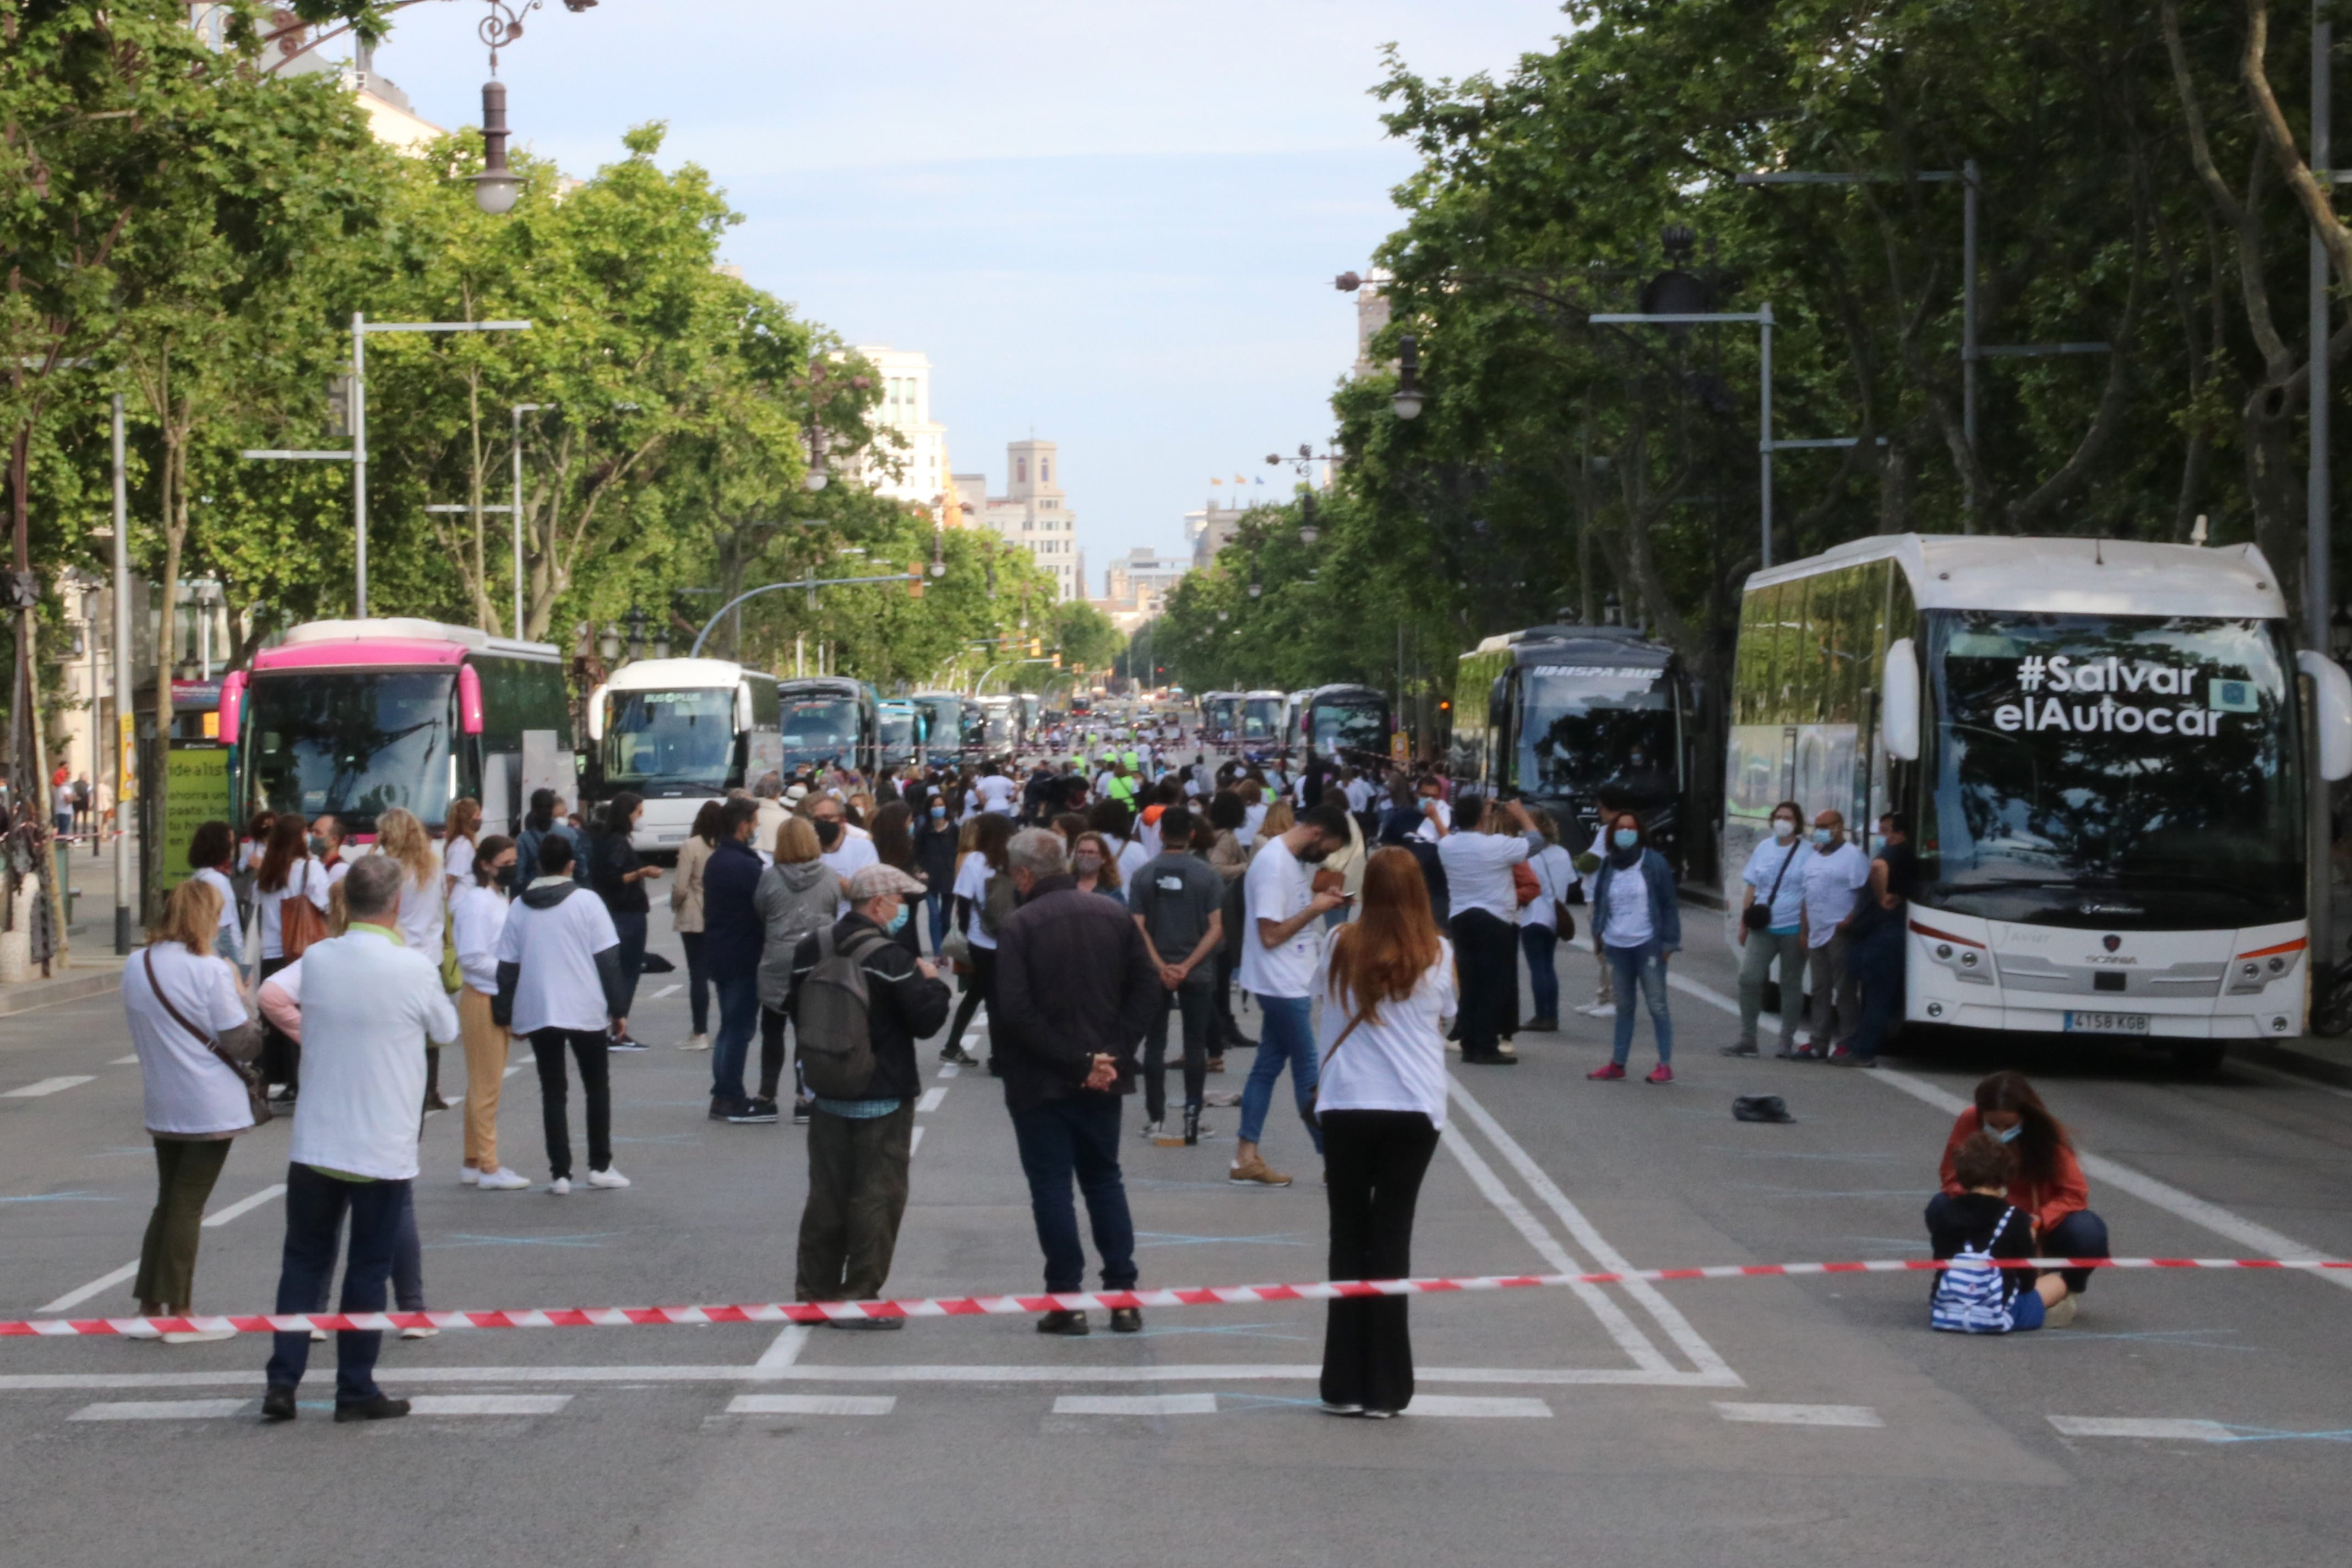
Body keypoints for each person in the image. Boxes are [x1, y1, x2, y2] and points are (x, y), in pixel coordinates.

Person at [259, 855, 460, 1424]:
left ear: (345, 901)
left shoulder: (320, 958)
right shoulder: (412, 967)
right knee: (368, 1268)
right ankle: (354, 1388)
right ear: (396, 903)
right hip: (382, 1143)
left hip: (317, 1138)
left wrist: (312, 1031)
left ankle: (283, 1381)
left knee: (303, 1262)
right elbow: (445, 1029)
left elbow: (271, 992)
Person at [990, 828, 1160, 1335]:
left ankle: (1066, 1299)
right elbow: (1146, 988)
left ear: (1024, 874)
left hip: (1040, 1080)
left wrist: (1078, 1061)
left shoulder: (1020, 925)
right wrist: (1112, 1055)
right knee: (1104, 1179)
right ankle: (1124, 1295)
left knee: (1052, 1187)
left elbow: (1015, 1011)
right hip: (1104, 1077)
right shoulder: (1113, 914)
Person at [1314, 846, 1456, 1416]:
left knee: (1347, 1234)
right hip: (1413, 1106)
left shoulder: (1338, 943)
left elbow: (1319, 996)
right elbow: (1448, 1016)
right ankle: (1387, 1387)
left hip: (1347, 1100)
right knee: (1393, 1234)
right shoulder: (1438, 952)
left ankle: (1343, 1383)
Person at [787, 864, 951, 1320]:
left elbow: (795, 1008)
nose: (903, 910)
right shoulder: (891, 958)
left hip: (825, 1090)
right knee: (877, 1197)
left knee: (826, 1197)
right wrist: (933, 984)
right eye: (901, 902)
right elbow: (925, 1021)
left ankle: (813, 1292)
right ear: (880, 904)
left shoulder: (811, 948)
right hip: (882, 1091)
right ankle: (859, 1293)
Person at [123, 877, 258, 1342]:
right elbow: (242, 1042)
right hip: (209, 1103)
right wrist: (243, 995)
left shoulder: (138, 963)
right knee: (188, 1205)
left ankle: (149, 1307)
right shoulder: (210, 970)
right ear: (206, 918)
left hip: (163, 1098)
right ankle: (180, 1311)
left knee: (169, 1201)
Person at [492, 832, 631, 1194]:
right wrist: (618, 1009)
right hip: (584, 1007)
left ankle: (560, 1173)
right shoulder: (587, 902)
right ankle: (600, 1165)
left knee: (553, 1090)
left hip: (539, 1007)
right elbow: (608, 960)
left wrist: (506, 1013)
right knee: (596, 1086)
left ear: (539, 865)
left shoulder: (519, 906)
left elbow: (507, 966)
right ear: (571, 865)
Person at [1231, 802, 1353, 1187]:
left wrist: (1319, 901)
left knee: (1268, 1067)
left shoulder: (1286, 861)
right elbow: (1270, 934)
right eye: (1329, 847)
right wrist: (1316, 909)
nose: (1326, 856)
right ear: (1317, 833)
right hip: (1281, 983)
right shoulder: (1274, 864)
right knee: (1308, 1072)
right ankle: (1334, 1158)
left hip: (1286, 980)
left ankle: (1246, 1156)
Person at [1932, 1071, 2108, 1309]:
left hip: (2033, 1222)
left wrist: (2038, 1220)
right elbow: (1951, 1177)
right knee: (1941, 1206)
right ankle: (1953, 1281)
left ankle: (2066, 1286)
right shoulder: (1969, 1121)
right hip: (1988, 1217)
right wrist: (1981, 1199)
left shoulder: (2046, 1134)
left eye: (2009, 1126)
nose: (2001, 1132)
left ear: (2025, 1117)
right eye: (1993, 1125)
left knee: (2087, 1231)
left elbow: (2074, 1193)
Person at [1126, 805, 1223, 1145]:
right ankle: (1193, 1115)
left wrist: (1160, 965)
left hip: (1155, 971)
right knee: (1195, 1043)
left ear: (1162, 833)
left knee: (1155, 1043)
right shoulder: (1207, 875)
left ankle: (1156, 1118)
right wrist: (1188, 965)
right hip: (1196, 970)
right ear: (1192, 835)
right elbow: (1216, 928)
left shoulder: (1144, 875)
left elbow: (1137, 927)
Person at [1927, 1131, 2074, 1332]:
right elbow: (2026, 1282)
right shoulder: (2015, 1218)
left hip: (1948, 1310)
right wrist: (2029, 1241)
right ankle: (2045, 1311)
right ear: (2005, 1177)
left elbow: (1941, 1263)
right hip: (2000, 1309)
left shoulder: (1944, 1212)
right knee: (2057, 1282)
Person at [1435, 794, 1544, 1066]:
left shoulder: (1447, 845)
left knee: (1470, 983)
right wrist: (1520, 814)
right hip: (1495, 918)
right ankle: (1486, 1045)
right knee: (1493, 985)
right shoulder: (1498, 845)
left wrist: (1483, 810)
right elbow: (1536, 842)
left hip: (1461, 917)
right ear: (1482, 818)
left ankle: (1470, 1043)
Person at [451, 835, 529, 1190]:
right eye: (505, 864)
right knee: (487, 1087)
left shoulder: (496, 899)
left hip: (494, 994)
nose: (512, 869)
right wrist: (510, 972)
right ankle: (490, 1167)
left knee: (481, 1085)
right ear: (485, 865)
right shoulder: (476, 903)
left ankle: (474, 1160)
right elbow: (471, 957)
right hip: (484, 996)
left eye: (515, 862)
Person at [757, 815, 843, 1124]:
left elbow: (762, 911)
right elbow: (834, 910)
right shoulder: (830, 876)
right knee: (808, 1030)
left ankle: (767, 1096)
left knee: (772, 1028)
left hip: (779, 958)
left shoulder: (770, 877)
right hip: (816, 956)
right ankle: (805, 1097)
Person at [1586, 811, 1679, 1083]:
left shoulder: (1654, 863)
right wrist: (1598, 937)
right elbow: (1601, 902)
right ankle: (1618, 1064)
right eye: (1620, 828)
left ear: (1639, 832)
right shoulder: (1609, 864)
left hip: (1648, 944)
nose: (1625, 832)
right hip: (1617, 945)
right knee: (1624, 1007)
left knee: (1657, 1005)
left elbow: (1668, 904)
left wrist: (1669, 943)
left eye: (1631, 828)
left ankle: (1665, 1064)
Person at [371, 808, 449, 1108]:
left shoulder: (389, 870)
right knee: (429, 1027)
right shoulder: (434, 864)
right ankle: (432, 1089)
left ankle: (405, 1087)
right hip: (430, 954)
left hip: (398, 953)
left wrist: (373, 851)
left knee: (400, 1026)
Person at [701, 797, 772, 1123]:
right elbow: (764, 904)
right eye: (755, 822)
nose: (756, 827)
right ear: (743, 825)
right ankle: (730, 1094)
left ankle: (723, 1094)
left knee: (729, 1026)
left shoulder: (719, 859)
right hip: (743, 952)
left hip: (722, 951)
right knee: (739, 1029)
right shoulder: (744, 864)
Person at [252, 813, 329, 1103]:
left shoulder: (267, 871)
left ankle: (275, 1079)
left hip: (272, 952)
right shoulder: (309, 868)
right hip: (301, 950)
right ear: (299, 838)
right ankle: (302, 1080)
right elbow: (324, 903)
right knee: (301, 1017)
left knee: (275, 1021)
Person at [1725, 801, 1807, 1059]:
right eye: (1779, 817)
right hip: (1763, 926)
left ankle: (1786, 1041)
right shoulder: (1764, 848)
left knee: (1790, 984)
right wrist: (1744, 923)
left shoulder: (1807, 852)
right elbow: (1752, 886)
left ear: (1797, 823)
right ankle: (1748, 1039)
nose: (1783, 822)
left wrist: (1805, 930)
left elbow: (1810, 892)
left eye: (1788, 818)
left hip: (1793, 927)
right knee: (1749, 978)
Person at [1834, 812, 1914, 1066]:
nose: (1881, 836)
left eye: (1885, 831)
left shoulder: (1895, 853)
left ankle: (1863, 1052)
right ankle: (1860, 1044)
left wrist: (1882, 896)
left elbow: (1878, 867)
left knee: (1877, 996)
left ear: (1898, 833)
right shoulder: (1905, 854)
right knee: (1872, 994)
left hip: (1883, 932)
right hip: (1879, 932)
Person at [942, 812, 1016, 1066]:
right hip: (1011, 938)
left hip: (981, 939)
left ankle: (956, 1046)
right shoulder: (1013, 860)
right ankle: (998, 1056)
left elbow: (963, 900)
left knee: (982, 993)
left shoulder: (974, 860)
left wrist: (965, 928)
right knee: (995, 997)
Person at [586, 791, 659, 1050]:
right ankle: (618, 1027)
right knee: (627, 970)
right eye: (638, 813)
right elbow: (612, 878)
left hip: (621, 911)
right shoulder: (617, 843)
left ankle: (615, 1025)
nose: (641, 818)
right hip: (627, 912)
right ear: (627, 814)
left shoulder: (609, 839)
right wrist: (641, 872)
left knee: (621, 970)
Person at [1794, 808, 1868, 1060]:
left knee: (1845, 990)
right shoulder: (1814, 857)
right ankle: (1818, 1043)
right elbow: (1807, 895)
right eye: (1818, 826)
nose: (1821, 831)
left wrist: (1849, 920)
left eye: (1825, 826)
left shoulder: (1853, 857)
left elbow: (1864, 895)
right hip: (1816, 933)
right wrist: (1804, 930)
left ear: (1839, 826)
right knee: (1819, 990)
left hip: (1839, 933)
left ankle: (1848, 1041)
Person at [670, 800, 725, 1052]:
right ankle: (726, 1028)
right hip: (720, 915)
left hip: (694, 914)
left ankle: (699, 1031)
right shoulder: (725, 847)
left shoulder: (691, 846)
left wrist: (676, 905)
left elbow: (681, 886)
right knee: (723, 975)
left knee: (698, 975)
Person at [1518, 808, 1576, 1032]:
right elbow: (1570, 881)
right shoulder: (1563, 854)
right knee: (1548, 966)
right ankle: (1552, 1014)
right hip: (1555, 916)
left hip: (1533, 914)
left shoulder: (1529, 855)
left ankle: (1541, 1015)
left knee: (1537, 968)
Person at [185, 819, 245, 976]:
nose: (233, 849)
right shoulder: (217, 880)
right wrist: (239, 967)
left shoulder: (199, 877)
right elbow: (225, 929)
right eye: (231, 843)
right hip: (221, 961)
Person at [869, 801, 925, 956]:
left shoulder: (874, 847)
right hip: (897, 915)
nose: (912, 825)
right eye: (909, 821)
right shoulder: (901, 853)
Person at [911, 789, 962, 954]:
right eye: (935, 806)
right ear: (929, 809)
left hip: (949, 877)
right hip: (930, 878)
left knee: (946, 917)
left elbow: (961, 852)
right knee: (933, 915)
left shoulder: (954, 830)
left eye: (941, 805)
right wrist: (919, 871)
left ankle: (945, 948)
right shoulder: (924, 830)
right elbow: (916, 853)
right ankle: (938, 952)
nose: (938, 808)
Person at [514, 788, 586, 886]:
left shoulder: (523, 839)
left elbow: (519, 877)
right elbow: (582, 870)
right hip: (565, 888)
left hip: (537, 890)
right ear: (553, 808)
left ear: (532, 808)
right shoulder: (570, 834)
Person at [442, 798, 482, 896]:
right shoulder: (461, 846)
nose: (481, 818)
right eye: (478, 815)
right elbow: (450, 878)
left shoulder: (467, 843)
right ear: (468, 820)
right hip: (460, 900)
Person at [1072, 830, 1125, 902]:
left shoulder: (1112, 892)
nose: (1086, 856)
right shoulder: (1066, 886)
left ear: (1103, 859)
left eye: (1091, 852)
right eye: (1081, 852)